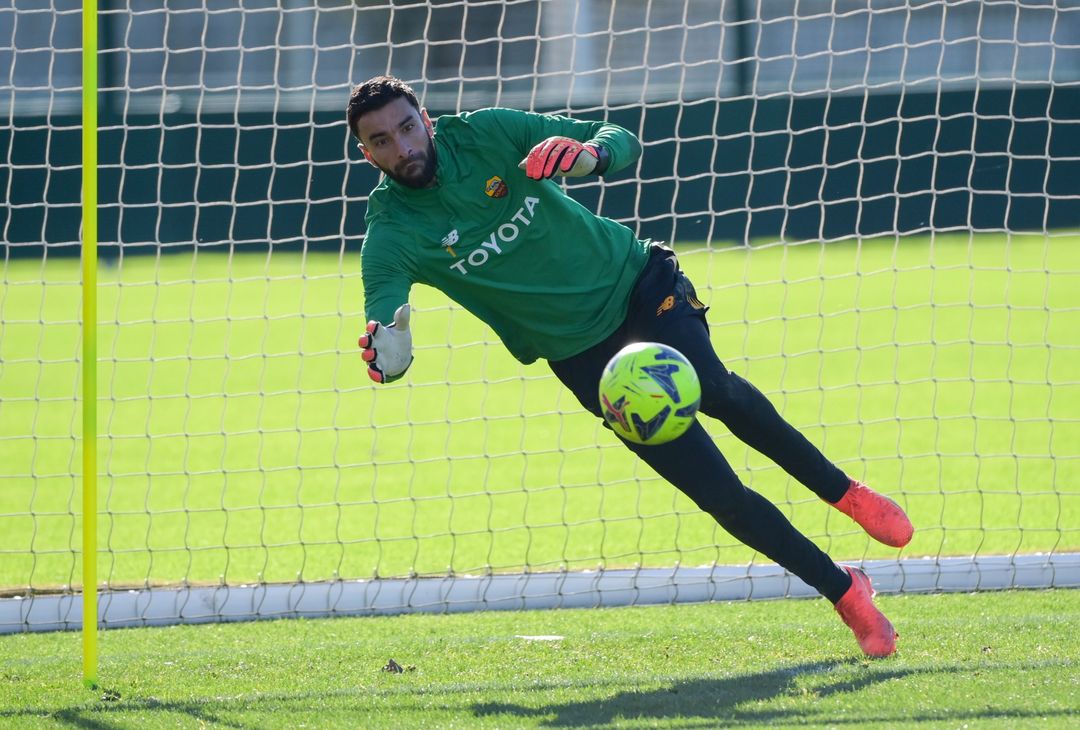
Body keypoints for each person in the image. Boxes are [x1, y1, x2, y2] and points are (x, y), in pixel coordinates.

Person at [348, 75, 914, 657]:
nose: (403, 146)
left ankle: (846, 494)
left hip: (641, 288)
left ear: (426, 119)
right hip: (583, 359)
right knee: (718, 494)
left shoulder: (490, 133)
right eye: (383, 140)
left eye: (408, 126)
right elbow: (385, 328)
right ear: (367, 154)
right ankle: (846, 593)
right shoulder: (391, 234)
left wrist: (591, 154)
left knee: (716, 389)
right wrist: (387, 352)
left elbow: (618, 136)